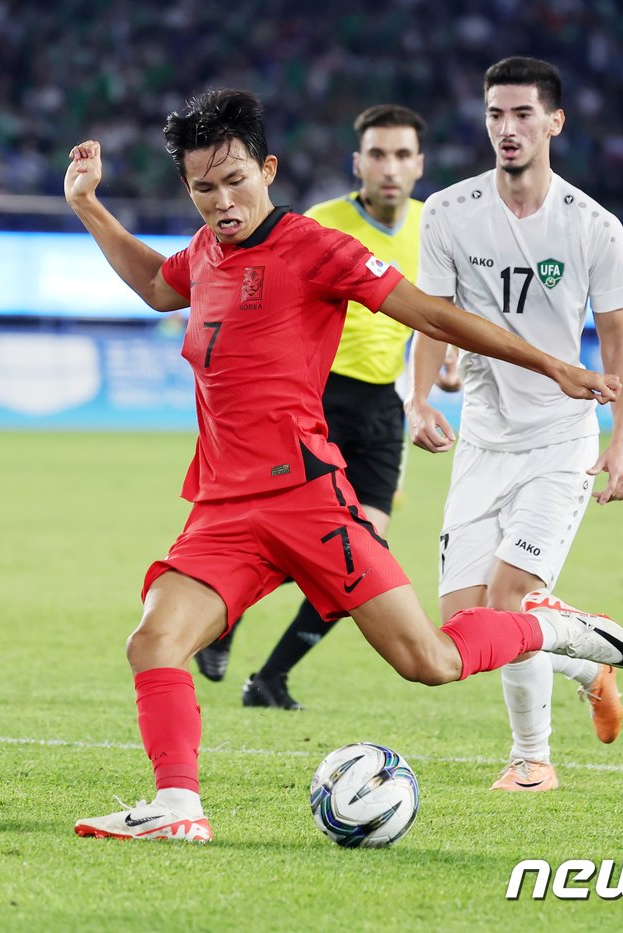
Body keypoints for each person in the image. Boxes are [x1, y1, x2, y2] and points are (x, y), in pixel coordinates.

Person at [61, 88, 623, 844]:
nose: (222, 201)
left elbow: (429, 312)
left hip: (308, 500)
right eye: (204, 188)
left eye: (236, 180)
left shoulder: (313, 248)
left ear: (267, 169)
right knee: (154, 640)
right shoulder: (204, 253)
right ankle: (176, 805)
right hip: (224, 511)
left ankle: (550, 631)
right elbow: (151, 284)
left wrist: (549, 361)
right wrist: (89, 206)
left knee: (428, 659)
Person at [407, 57, 623, 792]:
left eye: (523, 115)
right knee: (465, 628)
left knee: (508, 602)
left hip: (559, 440)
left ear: (554, 122)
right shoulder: (447, 211)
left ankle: (531, 758)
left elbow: (617, 347)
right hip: (481, 439)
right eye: (495, 115)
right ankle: (583, 656)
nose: (507, 129)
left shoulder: (594, 227)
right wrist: (419, 398)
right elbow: (431, 320)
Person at [193, 104, 442, 710]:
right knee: (315, 541)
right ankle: (220, 612)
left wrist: (429, 387)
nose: (390, 167)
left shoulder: (431, 227)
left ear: (419, 164)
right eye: (377, 154)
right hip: (319, 397)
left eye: (402, 155)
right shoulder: (322, 225)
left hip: (383, 405)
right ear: (358, 162)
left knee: (365, 549)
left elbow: (431, 309)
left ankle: (271, 678)